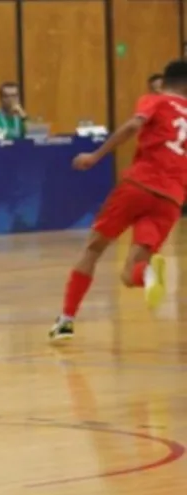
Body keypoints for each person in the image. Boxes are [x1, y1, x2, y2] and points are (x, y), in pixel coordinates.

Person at [50, 59, 187, 341]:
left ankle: (66, 321)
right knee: (129, 274)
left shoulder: (155, 101)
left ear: (167, 81)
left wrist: (95, 156)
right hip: (172, 198)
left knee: (93, 249)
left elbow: (131, 127)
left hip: (139, 185)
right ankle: (147, 275)